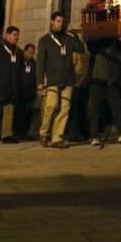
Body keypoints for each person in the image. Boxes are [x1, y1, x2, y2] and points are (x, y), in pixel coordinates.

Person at [36, 11, 86, 148]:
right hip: (52, 79)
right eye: (58, 21)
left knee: (65, 108)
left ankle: (57, 138)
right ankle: (43, 133)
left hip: (68, 78)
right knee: (50, 106)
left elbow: (81, 50)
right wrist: (40, 81)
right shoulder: (45, 40)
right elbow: (40, 62)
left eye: (62, 22)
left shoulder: (69, 38)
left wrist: (75, 37)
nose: (60, 24)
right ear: (52, 22)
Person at [87, 36, 121, 145]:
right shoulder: (101, 43)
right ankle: (94, 135)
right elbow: (91, 45)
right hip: (99, 79)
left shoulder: (119, 48)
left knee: (116, 107)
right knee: (95, 108)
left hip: (111, 81)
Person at [14, 43, 37, 140]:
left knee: (28, 114)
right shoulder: (19, 61)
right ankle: (17, 133)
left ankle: (25, 133)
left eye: (32, 53)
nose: (30, 55)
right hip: (19, 92)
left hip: (30, 93)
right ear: (25, 51)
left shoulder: (33, 63)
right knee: (19, 113)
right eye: (29, 52)